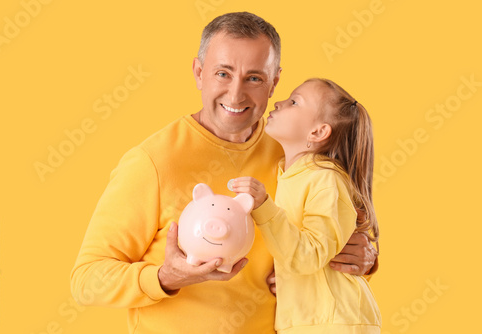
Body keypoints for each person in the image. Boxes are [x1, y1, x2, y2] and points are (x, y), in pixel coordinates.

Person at [70, 12, 378, 334]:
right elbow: (86, 279)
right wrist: (165, 277)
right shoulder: (152, 162)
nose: (235, 94)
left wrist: (363, 258)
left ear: (274, 83)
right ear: (199, 73)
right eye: (223, 74)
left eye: (254, 78)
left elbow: (317, 244)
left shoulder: (295, 155)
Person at [231, 78, 381, 333]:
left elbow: (307, 255)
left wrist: (264, 206)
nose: (278, 103)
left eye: (293, 102)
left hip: (333, 324)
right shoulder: (291, 175)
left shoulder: (325, 179)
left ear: (318, 132)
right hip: (308, 321)